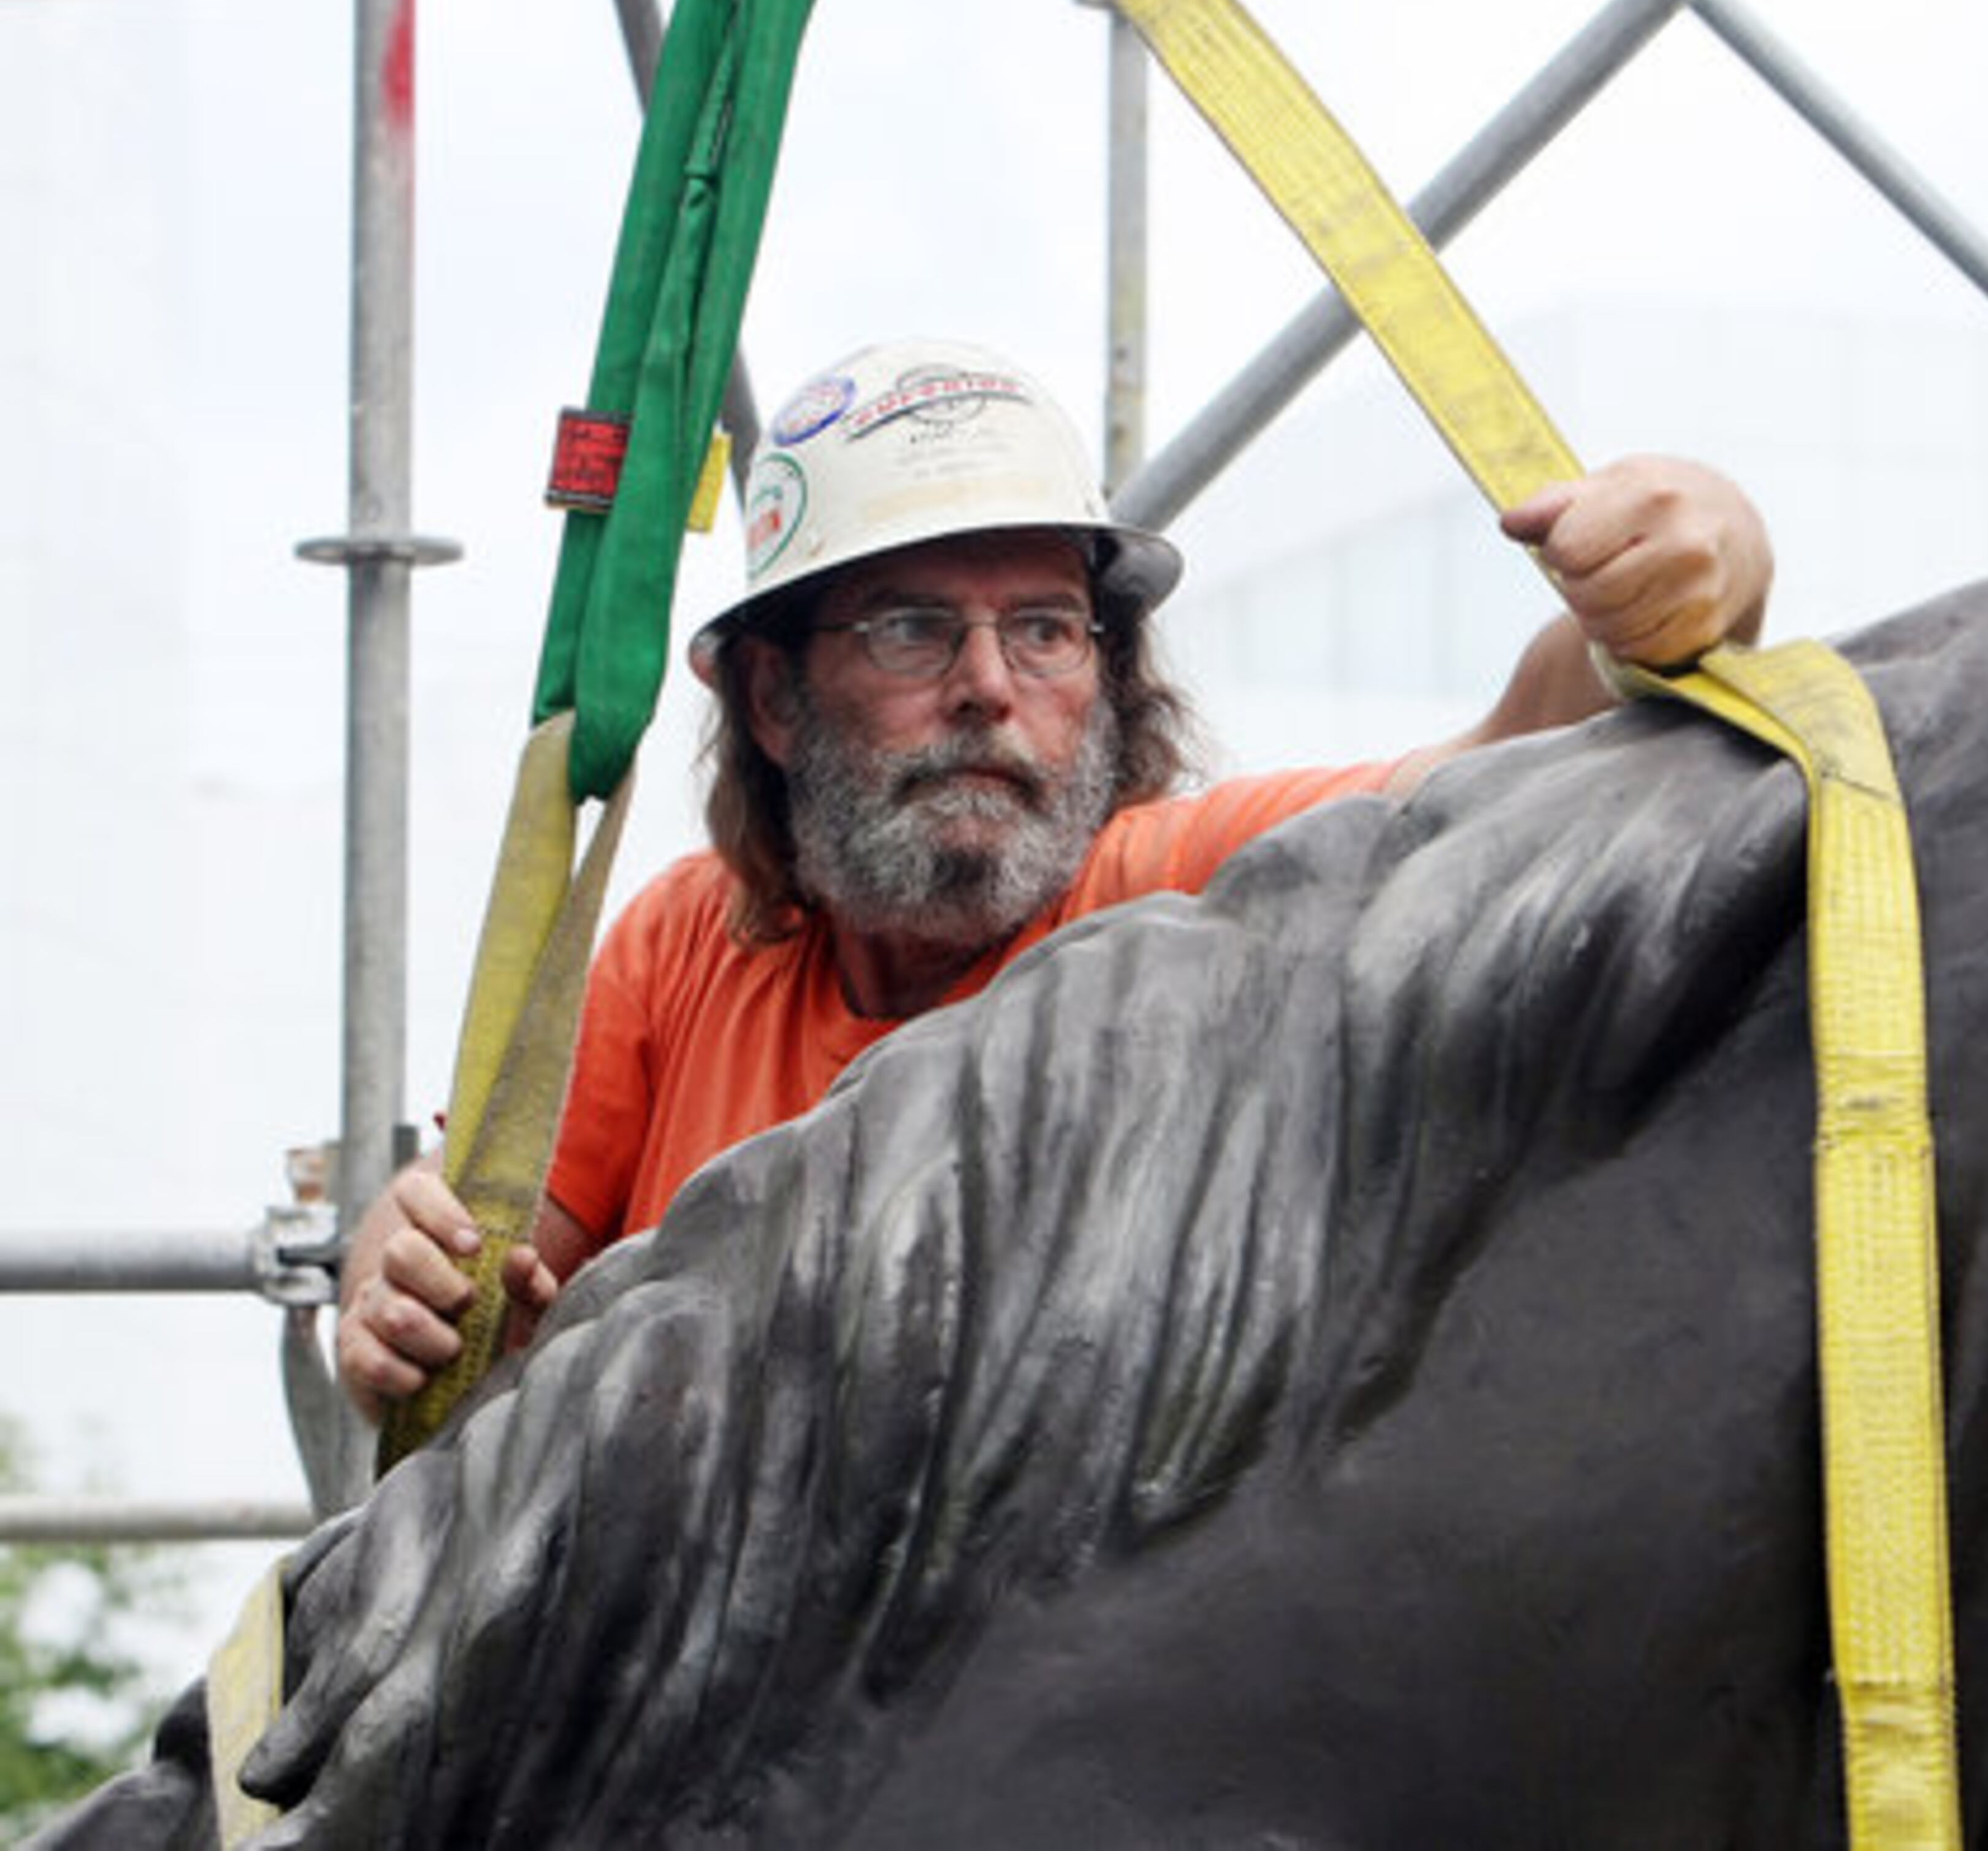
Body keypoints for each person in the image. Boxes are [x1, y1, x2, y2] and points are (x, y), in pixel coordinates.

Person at [336, 335, 1774, 1423]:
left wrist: (1700, 552)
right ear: (772, 698)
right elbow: (485, 1303)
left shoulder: (1183, 896)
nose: (988, 689)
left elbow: (1525, 748)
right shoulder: (684, 944)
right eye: (910, 629)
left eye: (1045, 631)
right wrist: (403, 1291)